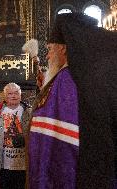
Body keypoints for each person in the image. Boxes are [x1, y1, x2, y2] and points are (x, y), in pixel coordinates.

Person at [28, 13, 117, 189]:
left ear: (63, 49)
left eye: (50, 49)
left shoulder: (66, 80)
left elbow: (56, 147)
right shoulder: (85, 78)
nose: (47, 56)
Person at [0, 83, 30, 189]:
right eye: (10, 93)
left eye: (16, 93)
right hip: (3, 165)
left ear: (20, 95)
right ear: (5, 96)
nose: (13, 96)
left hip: (24, 165)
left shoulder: (29, 112)